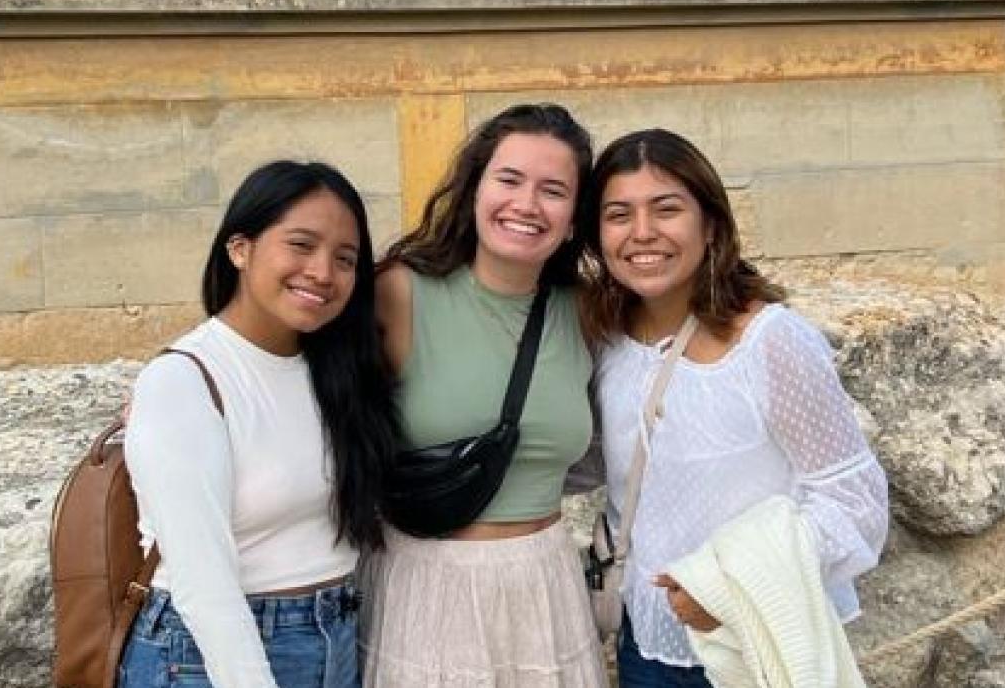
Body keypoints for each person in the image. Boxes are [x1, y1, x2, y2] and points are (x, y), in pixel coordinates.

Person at [581, 129, 889, 686]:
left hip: (755, 639)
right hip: (643, 643)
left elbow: (855, 503)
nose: (643, 233)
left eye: (667, 209)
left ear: (711, 223)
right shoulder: (608, 341)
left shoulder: (770, 342)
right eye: (619, 214)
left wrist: (727, 587)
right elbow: (596, 461)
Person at [120, 160, 401, 688]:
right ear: (240, 248)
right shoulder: (184, 380)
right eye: (300, 245)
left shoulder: (339, 374)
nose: (322, 272)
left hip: (335, 637)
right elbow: (204, 584)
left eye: (345, 259)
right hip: (209, 657)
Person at [362, 104, 604, 687]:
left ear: (574, 217)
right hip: (425, 586)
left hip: (545, 586)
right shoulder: (397, 292)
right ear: (474, 189)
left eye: (553, 190)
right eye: (509, 179)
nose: (526, 204)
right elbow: (304, 380)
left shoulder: (592, 311)